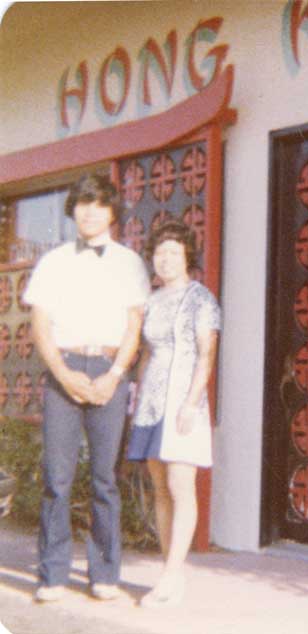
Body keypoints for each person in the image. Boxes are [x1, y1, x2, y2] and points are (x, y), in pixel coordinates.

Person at [25, 173, 150, 602]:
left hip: (109, 369)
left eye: (99, 204)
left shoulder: (129, 262)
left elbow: (134, 327)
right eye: (82, 203)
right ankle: (53, 575)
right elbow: (40, 324)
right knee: (58, 479)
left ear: (112, 212)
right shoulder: (53, 261)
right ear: (73, 210)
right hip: (65, 367)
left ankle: (104, 573)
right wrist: (62, 373)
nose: (90, 212)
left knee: (105, 479)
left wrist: (114, 376)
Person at [126, 220, 220, 607]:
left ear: (187, 257)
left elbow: (207, 353)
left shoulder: (201, 298)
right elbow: (146, 352)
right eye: (159, 253)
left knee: (182, 485)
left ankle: (171, 574)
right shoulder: (150, 301)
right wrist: (136, 395)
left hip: (184, 399)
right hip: (151, 399)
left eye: (173, 253)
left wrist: (192, 401)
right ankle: (170, 572)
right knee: (160, 487)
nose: (164, 260)